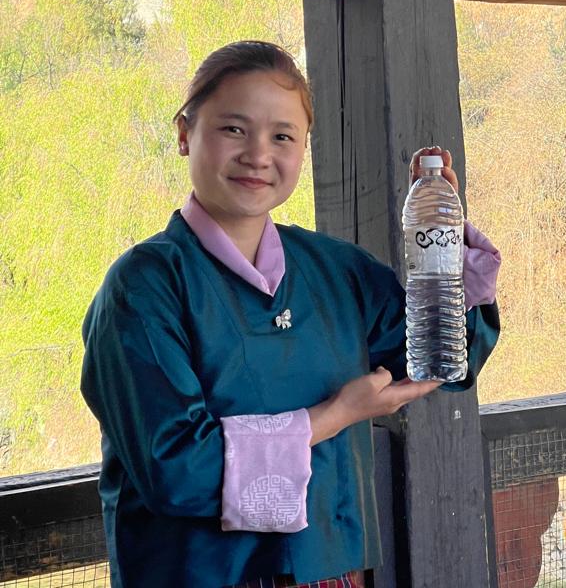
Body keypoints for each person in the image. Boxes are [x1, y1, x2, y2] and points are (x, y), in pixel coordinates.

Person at [81, 40, 501, 588]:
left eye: (282, 136)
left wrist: (442, 259)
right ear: (185, 133)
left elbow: (441, 364)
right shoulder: (143, 287)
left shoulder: (336, 270)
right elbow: (176, 469)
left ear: (304, 148)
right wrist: (332, 417)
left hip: (328, 571)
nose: (258, 154)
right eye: (234, 129)